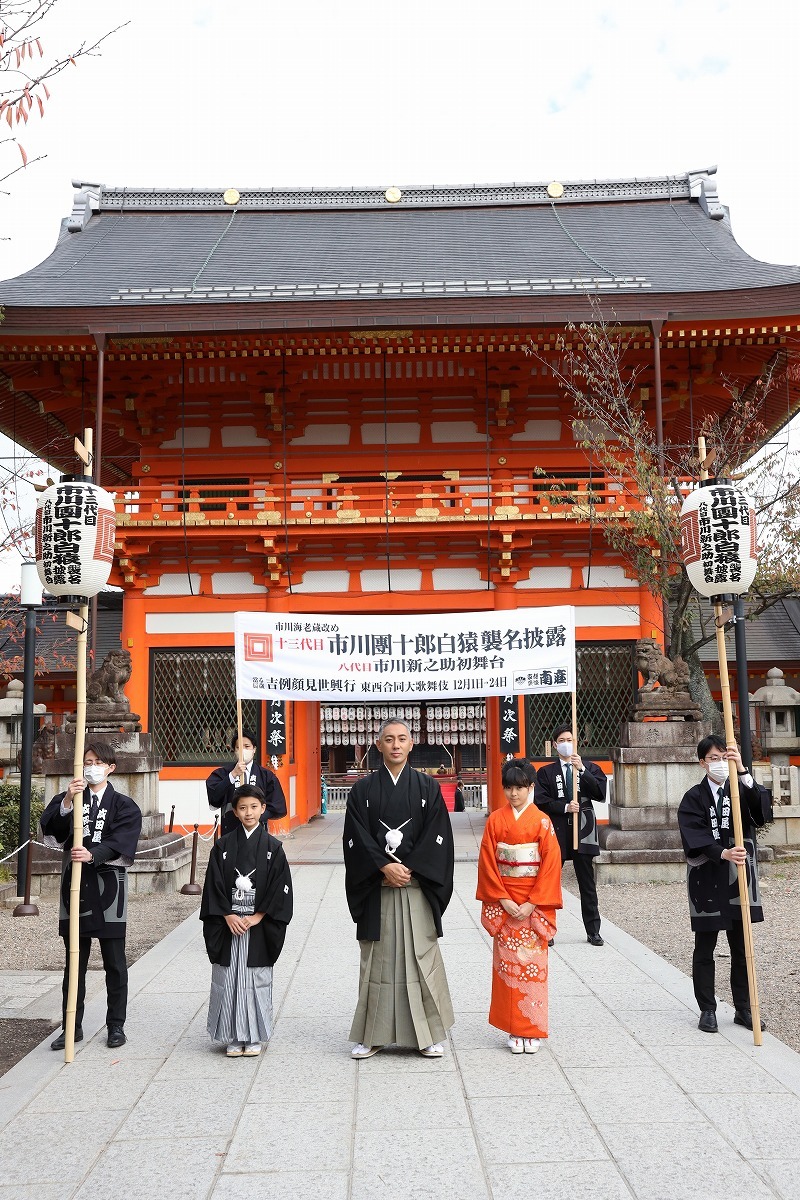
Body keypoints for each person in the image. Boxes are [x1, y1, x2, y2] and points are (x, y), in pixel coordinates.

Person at [343, 718, 455, 1060]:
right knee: (377, 963)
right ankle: (372, 1035)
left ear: (410, 745)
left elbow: (438, 836)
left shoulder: (427, 787)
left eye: (402, 739)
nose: (395, 744)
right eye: (388, 739)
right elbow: (355, 837)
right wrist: (382, 866)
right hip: (377, 889)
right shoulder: (362, 791)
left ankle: (429, 1034)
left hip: (416, 886)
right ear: (378, 746)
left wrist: (409, 868)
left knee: (421, 958)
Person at [40, 741, 142, 1050]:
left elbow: (122, 839)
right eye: (87, 760)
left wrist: (93, 852)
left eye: (98, 761)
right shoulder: (69, 798)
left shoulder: (124, 805)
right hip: (75, 885)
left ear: (111, 767)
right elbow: (51, 829)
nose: (92, 765)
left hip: (108, 885)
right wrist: (69, 800)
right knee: (74, 961)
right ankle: (72, 1025)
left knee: (114, 960)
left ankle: (116, 1025)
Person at [677, 735, 772, 1034]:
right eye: (713, 758)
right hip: (707, 875)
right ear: (702, 762)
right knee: (705, 946)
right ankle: (707, 1008)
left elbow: (762, 813)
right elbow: (693, 833)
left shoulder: (740, 789)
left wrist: (743, 771)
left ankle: (744, 1008)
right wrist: (722, 852)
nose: (719, 763)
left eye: (724, 757)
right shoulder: (694, 797)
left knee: (742, 946)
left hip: (737, 876)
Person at [200, 784, 293, 1057]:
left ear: (263, 809)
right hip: (228, 922)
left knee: (255, 978)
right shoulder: (223, 846)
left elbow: (281, 887)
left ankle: (253, 1036)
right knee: (227, 977)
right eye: (242, 808)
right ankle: (231, 1035)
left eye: (254, 807)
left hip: (258, 924)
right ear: (235, 812)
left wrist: (257, 916)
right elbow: (213, 886)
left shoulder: (273, 848)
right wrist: (227, 914)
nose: (249, 812)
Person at [477, 758, 563, 1053]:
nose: (513, 794)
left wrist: (532, 903)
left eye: (519, 788)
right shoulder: (495, 820)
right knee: (507, 968)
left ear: (530, 788)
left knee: (532, 968)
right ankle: (513, 1030)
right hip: (504, 904)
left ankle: (532, 1029)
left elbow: (551, 865)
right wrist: (501, 899)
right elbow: (488, 862)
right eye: (509, 788)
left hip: (531, 906)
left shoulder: (542, 821)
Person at [533, 723, 607, 946]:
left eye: (570, 740)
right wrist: (564, 807)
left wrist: (582, 770)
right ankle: (547, 929)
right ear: (555, 745)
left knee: (587, 883)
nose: (566, 744)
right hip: (557, 830)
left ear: (577, 743)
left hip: (583, 829)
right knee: (550, 880)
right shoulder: (546, 772)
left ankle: (593, 930)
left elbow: (600, 794)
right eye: (562, 741)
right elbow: (540, 800)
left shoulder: (590, 768)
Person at [206, 729, 287, 836]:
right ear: (234, 750)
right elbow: (215, 798)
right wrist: (232, 775)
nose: (243, 750)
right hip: (231, 830)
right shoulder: (223, 774)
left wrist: (255, 815)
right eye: (238, 747)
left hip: (258, 831)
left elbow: (278, 806)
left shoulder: (266, 776)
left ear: (254, 749)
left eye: (247, 746)